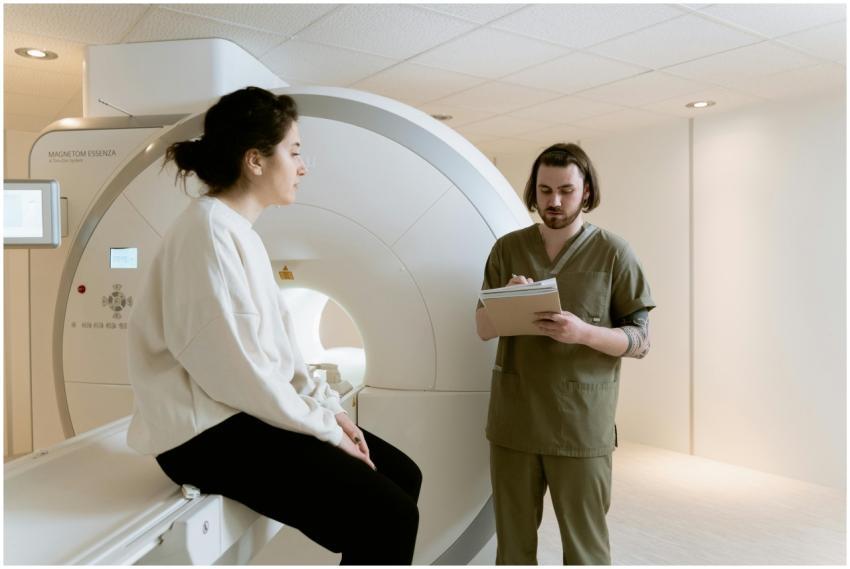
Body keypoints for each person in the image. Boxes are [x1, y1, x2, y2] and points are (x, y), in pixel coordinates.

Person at [126, 86, 422, 565]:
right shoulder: (208, 233)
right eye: (295, 151)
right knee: (389, 514)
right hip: (202, 432)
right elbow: (240, 374)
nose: (303, 167)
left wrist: (335, 414)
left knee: (404, 475)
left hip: (233, 410)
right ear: (255, 160)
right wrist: (324, 431)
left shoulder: (239, 231)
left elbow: (281, 354)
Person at [475, 142, 654, 565]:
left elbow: (642, 341)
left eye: (566, 190)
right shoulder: (507, 250)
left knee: (585, 551)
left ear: (587, 191)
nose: (554, 201)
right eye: (544, 190)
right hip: (514, 424)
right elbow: (481, 329)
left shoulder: (614, 253)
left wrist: (584, 333)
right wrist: (507, 298)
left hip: (580, 427)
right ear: (533, 191)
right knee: (513, 550)